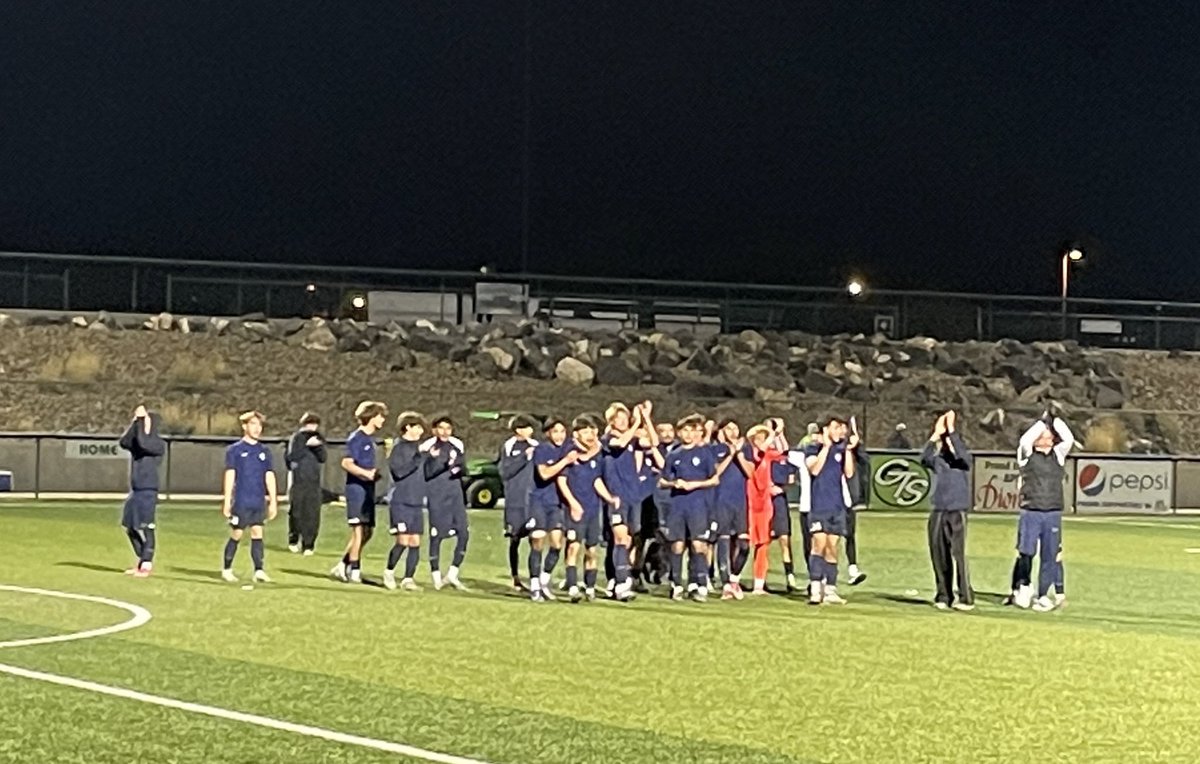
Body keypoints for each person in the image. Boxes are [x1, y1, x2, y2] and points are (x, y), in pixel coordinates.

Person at [1011, 410, 1074, 611]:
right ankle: (1023, 587)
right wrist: (1041, 421)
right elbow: (1025, 440)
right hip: (1031, 511)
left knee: (1049, 556)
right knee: (1026, 552)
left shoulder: (1058, 455)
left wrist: (1054, 420)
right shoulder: (1026, 455)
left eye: (1049, 435)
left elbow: (1068, 438)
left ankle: (1043, 595)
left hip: (1052, 512)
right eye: (1043, 436)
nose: (1047, 438)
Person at [556, 416, 621, 602]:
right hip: (575, 509)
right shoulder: (569, 451)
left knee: (592, 549)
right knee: (573, 547)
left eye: (593, 431)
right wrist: (573, 503)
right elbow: (562, 480)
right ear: (576, 434)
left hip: (593, 509)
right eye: (586, 432)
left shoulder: (597, 455)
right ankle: (572, 586)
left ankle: (590, 587)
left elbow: (596, 480)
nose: (591, 435)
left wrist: (609, 497)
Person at [661, 414, 719, 602]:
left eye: (691, 430)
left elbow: (714, 478)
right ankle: (677, 583)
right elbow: (662, 480)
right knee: (677, 545)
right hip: (678, 505)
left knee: (698, 544)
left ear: (697, 433)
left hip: (698, 505)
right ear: (679, 433)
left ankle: (699, 583)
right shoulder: (673, 455)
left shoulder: (704, 453)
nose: (688, 434)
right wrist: (674, 484)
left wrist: (695, 485)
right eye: (684, 430)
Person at [920, 410, 974, 611]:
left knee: (958, 555)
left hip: (957, 510)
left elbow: (963, 456)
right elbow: (923, 458)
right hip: (939, 510)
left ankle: (965, 597)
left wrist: (951, 431)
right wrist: (935, 434)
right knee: (939, 555)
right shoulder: (938, 459)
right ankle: (944, 595)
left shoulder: (962, 459)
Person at [331, 401, 387, 584]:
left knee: (368, 532)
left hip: (368, 489)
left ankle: (342, 564)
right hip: (357, 490)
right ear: (371, 417)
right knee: (358, 531)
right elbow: (347, 463)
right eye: (380, 416)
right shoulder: (357, 438)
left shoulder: (370, 440)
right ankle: (354, 570)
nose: (383, 420)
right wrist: (366, 474)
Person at [803, 417, 857, 605]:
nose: (841, 431)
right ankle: (815, 587)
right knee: (819, 543)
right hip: (819, 505)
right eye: (836, 427)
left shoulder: (842, 449)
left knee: (833, 547)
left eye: (842, 427)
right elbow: (815, 470)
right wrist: (825, 447)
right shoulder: (813, 448)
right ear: (826, 430)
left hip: (837, 505)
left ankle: (831, 589)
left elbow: (849, 473)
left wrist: (849, 450)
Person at [220, 411, 279, 583]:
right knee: (237, 533)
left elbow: (269, 476)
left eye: (259, 425)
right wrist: (226, 501)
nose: (257, 428)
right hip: (241, 500)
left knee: (257, 532)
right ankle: (227, 568)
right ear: (244, 426)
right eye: (253, 424)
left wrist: (273, 501)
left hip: (258, 500)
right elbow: (230, 475)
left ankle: (259, 570)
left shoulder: (264, 451)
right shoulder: (235, 450)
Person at [527, 417, 577, 601]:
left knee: (557, 543)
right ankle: (534, 586)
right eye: (555, 432)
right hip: (538, 501)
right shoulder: (542, 449)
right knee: (538, 541)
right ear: (548, 433)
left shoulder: (567, 447)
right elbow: (545, 473)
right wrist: (565, 461)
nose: (559, 435)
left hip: (556, 503)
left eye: (562, 432)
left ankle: (544, 581)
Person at [601, 401, 645, 601]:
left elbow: (652, 441)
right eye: (618, 419)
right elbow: (620, 443)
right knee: (619, 538)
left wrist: (644, 418)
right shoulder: (608, 439)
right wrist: (636, 426)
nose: (622, 422)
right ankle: (621, 583)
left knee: (628, 540)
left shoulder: (633, 440)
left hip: (632, 495)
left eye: (625, 419)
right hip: (616, 496)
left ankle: (615, 581)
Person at [422, 414, 470, 591]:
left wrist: (458, 468)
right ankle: (436, 576)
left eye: (448, 428)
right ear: (434, 429)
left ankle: (452, 574)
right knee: (437, 535)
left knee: (463, 532)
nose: (445, 432)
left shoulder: (457, 444)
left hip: (455, 493)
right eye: (441, 428)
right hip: (437, 493)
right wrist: (441, 463)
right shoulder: (427, 447)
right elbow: (427, 472)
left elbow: (464, 468)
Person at [118, 405, 165, 577]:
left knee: (147, 527)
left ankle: (147, 562)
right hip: (136, 490)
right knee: (128, 525)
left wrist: (141, 421)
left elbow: (145, 443)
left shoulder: (157, 444)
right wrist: (135, 423)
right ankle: (141, 559)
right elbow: (124, 442)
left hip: (148, 489)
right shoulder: (137, 442)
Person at [383, 412, 426, 591]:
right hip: (401, 500)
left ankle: (408, 578)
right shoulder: (399, 447)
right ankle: (389, 572)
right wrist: (418, 459)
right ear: (407, 427)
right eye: (418, 427)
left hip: (415, 500)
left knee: (415, 541)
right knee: (402, 540)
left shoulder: (419, 448)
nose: (421, 431)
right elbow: (399, 472)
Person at [711, 418, 751, 600]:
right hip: (721, 501)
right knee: (723, 542)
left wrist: (739, 454)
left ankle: (734, 579)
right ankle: (726, 583)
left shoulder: (745, 450)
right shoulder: (716, 449)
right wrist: (730, 454)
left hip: (740, 502)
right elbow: (715, 472)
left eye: (736, 427)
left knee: (744, 545)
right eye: (729, 428)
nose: (733, 431)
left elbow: (750, 473)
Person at [498, 414, 540, 591]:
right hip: (515, 500)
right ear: (518, 430)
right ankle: (515, 577)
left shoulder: (537, 446)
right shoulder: (509, 446)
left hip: (532, 500)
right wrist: (523, 457)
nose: (531, 431)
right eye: (527, 427)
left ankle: (535, 578)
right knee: (514, 539)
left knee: (535, 538)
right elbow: (505, 471)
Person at [745, 425, 784, 595]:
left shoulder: (768, 454)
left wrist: (780, 434)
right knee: (742, 543)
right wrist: (773, 433)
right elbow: (760, 451)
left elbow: (784, 451)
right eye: (759, 437)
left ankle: (759, 585)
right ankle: (731, 579)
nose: (763, 441)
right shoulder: (752, 454)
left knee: (763, 544)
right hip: (749, 504)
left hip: (765, 504)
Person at [285, 412, 326, 556]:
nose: (312, 427)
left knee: (312, 514)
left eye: (315, 424)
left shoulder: (318, 438)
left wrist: (317, 446)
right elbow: (292, 456)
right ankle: (293, 539)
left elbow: (323, 458)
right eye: (310, 424)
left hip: (313, 482)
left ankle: (309, 544)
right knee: (296, 512)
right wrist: (306, 445)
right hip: (298, 481)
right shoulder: (297, 438)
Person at [766, 418, 799, 591]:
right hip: (762, 502)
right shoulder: (762, 456)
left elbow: (791, 479)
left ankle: (790, 577)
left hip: (779, 501)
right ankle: (758, 578)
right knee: (761, 542)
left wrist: (781, 487)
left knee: (784, 539)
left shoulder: (784, 460)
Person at [843, 416, 869, 586]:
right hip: (830, 500)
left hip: (848, 500)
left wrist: (857, 447)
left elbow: (865, 462)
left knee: (849, 536)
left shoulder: (853, 451)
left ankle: (853, 568)